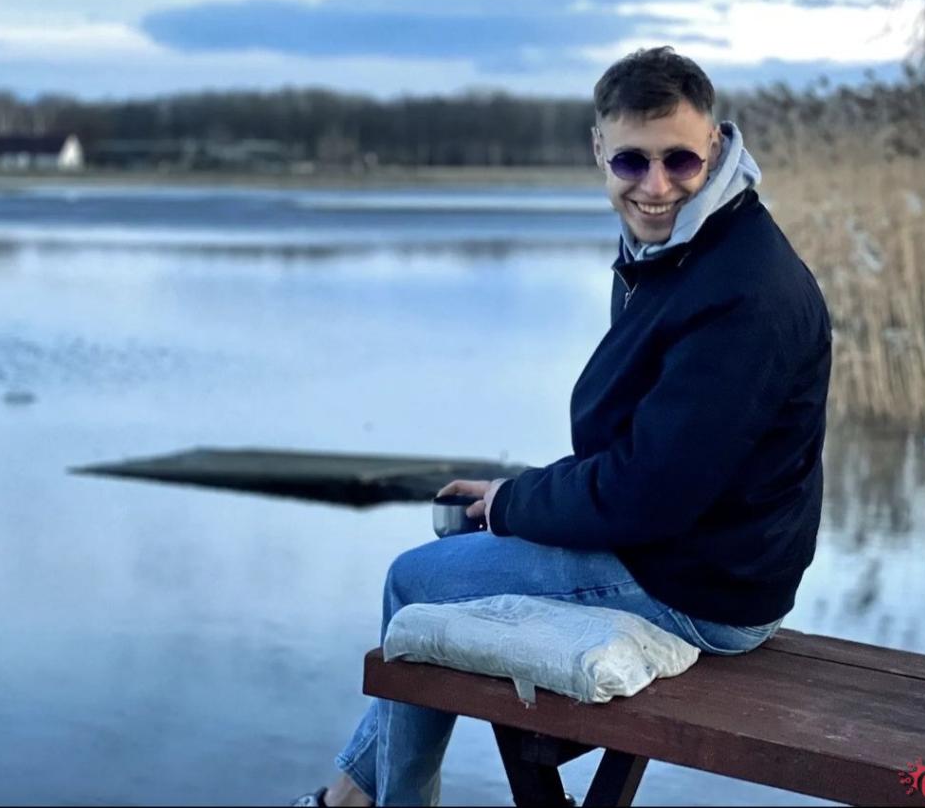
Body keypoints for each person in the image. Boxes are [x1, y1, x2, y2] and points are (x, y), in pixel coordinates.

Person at [294, 46, 832, 807]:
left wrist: (516, 504)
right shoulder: (683, 247)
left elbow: (650, 493)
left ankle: (381, 803)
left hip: (704, 591)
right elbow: (651, 459)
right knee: (456, 552)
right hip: (699, 552)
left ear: (714, 146)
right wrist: (513, 497)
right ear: (599, 150)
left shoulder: (738, 291)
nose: (655, 186)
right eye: (632, 162)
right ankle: (352, 793)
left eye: (679, 160)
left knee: (416, 584)